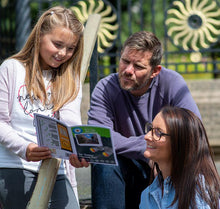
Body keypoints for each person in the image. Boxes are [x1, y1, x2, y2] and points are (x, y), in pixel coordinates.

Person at [69, 31, 201, 209]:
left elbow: (192, 134)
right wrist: (150, 148)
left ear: (155, 71)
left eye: (138, 66)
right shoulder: (105, 88)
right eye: (125, 61)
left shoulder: (173, 83)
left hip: (168, 168)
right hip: (125, 170)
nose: (128, 71)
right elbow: (100, 140)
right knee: (106, 163)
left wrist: (158, 157)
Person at [0, 6, 84, 209]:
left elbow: (71, 121)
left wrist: (78, 150)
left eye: (71, 48)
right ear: (39, 36)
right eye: (57, 44)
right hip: (15, 165)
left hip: (56, 168)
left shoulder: (70, 79)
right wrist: (25, 149)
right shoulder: (12, 69)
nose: (63, 53)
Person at [140, 106, 220, 209]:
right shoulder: (147, 196)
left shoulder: (198, 188)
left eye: (158, 132)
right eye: (150, 129)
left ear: (180, 142)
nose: (146, 136)